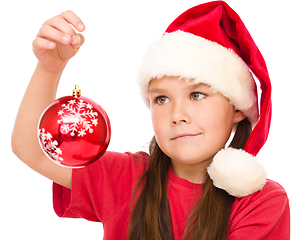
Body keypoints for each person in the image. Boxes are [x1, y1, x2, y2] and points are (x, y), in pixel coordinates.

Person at [11, 1, 290, 239]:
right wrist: (49, 69)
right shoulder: (127, 178)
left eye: (197, 94)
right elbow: (32, 149)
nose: (178, 116)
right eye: (162, 99)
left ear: (238, 108)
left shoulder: (262, 202)